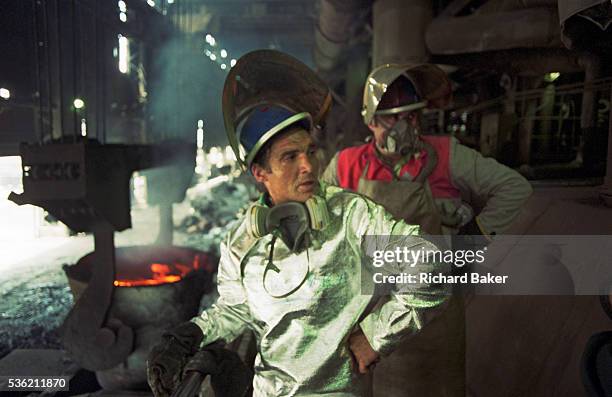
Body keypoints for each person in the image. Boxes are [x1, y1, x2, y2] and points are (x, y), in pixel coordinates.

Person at [146, 51, 450, 397]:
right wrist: (189, 334)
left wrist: (377, 335)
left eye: (310, 151)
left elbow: (432, 265)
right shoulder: (242, 240)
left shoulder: (351, 216)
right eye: (290, 157)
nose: (308, 165)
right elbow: (237, 310)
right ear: (260, 173)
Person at [320, 63, 533, 397]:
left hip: (434, 319)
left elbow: (515, 188)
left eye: (413, 117)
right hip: (367, 319)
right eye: (394, 118)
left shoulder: (446, 156)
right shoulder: (346, 166)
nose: (406, 127)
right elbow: (319, 226)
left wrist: (472, 238)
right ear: (371, 120)